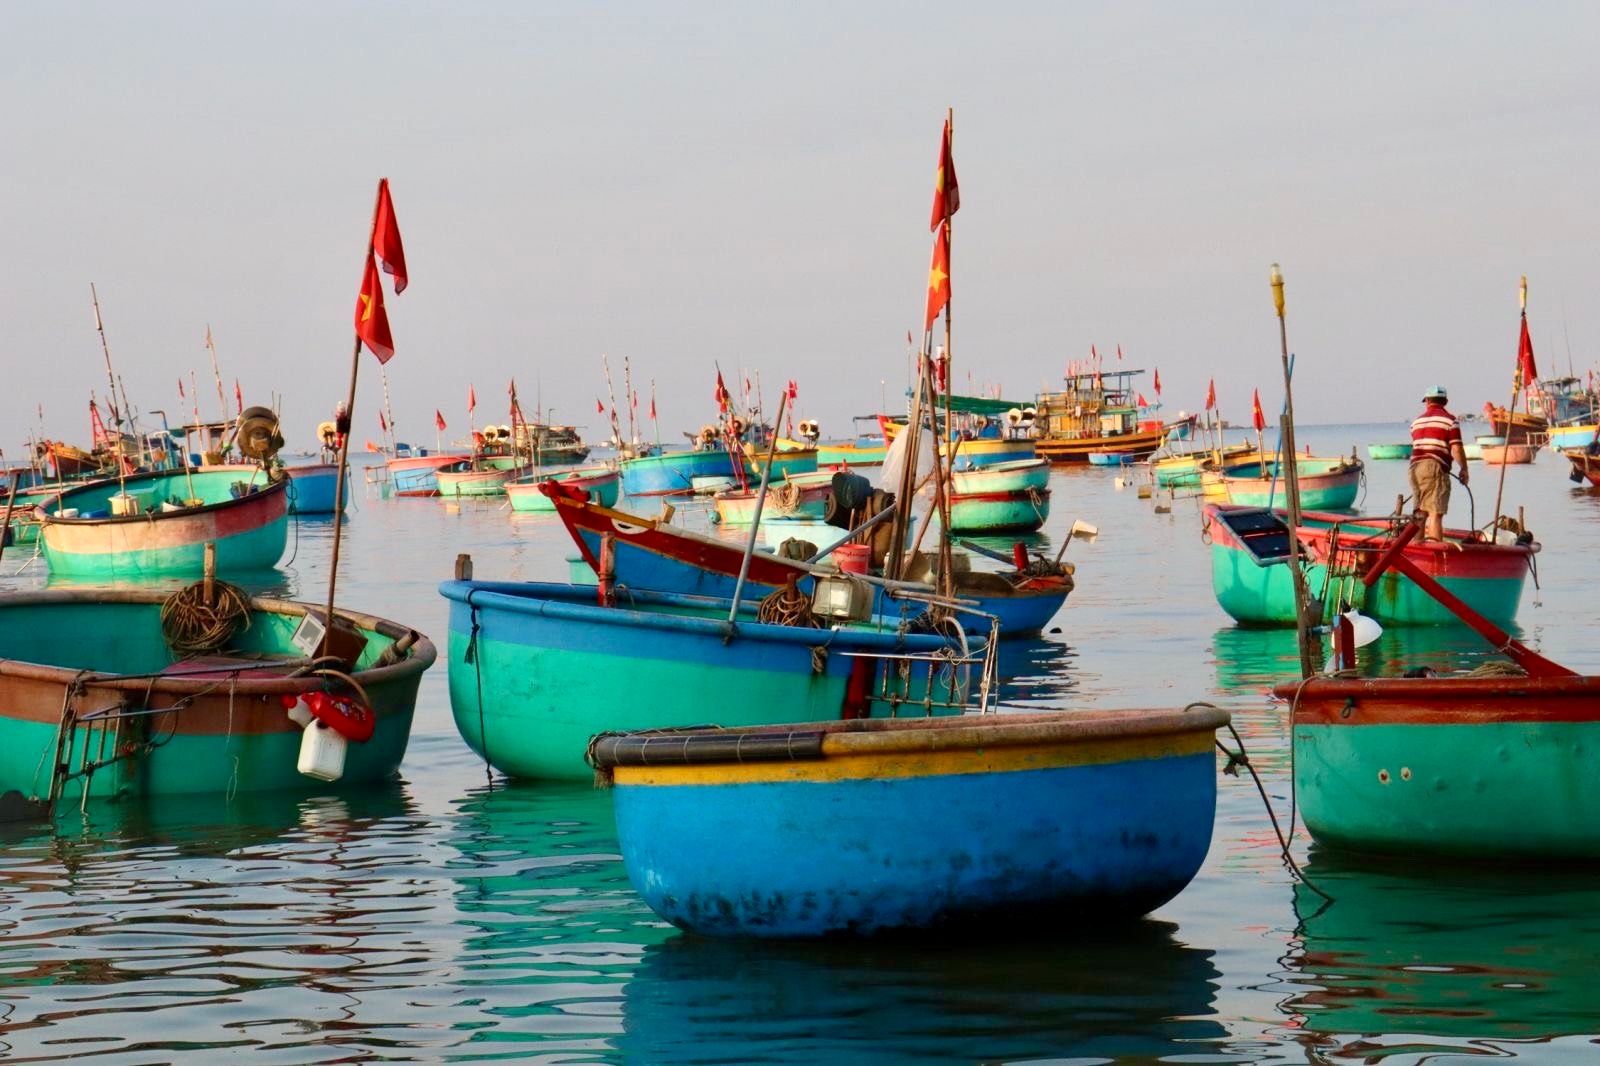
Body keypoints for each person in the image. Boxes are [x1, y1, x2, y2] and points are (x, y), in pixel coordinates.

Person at [1409, 385, 1468, 540]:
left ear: (1427, 401)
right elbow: (1456, 448)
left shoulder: (1415, 423)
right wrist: (1464, 469)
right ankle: (1435, 556)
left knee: (1420, 512)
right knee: (1435, 513)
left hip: (1414, 468)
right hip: (1435, 466)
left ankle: (1417, 548)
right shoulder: (1450, 421)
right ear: (1445, 401)